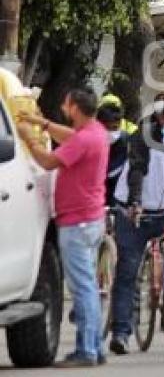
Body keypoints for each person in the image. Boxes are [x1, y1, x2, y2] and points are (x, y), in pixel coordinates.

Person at [17, 88, 109, 367]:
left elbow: (47, 161)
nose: (62, 107)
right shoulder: (96, 132)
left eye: (65, 104)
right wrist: (41, 124)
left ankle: (87, 351)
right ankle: (94, 346)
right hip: (90, 219)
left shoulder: (84, 139)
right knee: (89, 286)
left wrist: (29, 139)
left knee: (82, 289)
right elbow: (68, 138)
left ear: (74, 108)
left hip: (77, 222)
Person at [108, 100, 164, 355]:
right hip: (134, 212)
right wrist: (135, 202)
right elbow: (137, 169)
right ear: (162, 120)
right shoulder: (143, 138)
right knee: (128, 273)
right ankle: (121, 333)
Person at [97, 102, 130, 207]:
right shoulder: (91, 142)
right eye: (107, 128)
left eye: (115, 128)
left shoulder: (127, 141)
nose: (111, 132)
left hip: (117, 195)